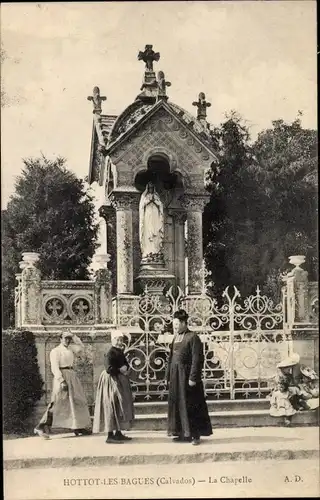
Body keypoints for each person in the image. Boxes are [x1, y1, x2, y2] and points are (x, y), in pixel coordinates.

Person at [166, 309, 212, 445]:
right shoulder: (175, 337)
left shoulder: (193, 337)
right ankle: (182, 433)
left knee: (191, 405)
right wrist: (168, 376)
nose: (175, 326)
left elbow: (197, 359)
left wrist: (193, 377)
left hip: (187, 377)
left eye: (177, 324)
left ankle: (195, 435)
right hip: (176, 377)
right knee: (178, 405)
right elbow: (171, 358)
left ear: (184, 323)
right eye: (174, 324)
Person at [34, 331, 92, 439]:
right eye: (65, 338)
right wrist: (61, 381)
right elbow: (54, 368)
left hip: (72, 376)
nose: (67, 340)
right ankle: (41, 426)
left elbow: (81, 348)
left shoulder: (71, 349)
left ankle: (78, 426)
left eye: (69, 338)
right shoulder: (55, 351)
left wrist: (74, 336)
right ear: (60, 339)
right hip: (62, 377)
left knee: (77, 400)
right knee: (57, 402)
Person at [93, 330, 134, 443]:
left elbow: (125, 362)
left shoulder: (120, 351)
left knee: (120, 406)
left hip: (120, 380)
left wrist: (126, 368)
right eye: (117, 340)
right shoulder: (110, 352)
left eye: (121, 340)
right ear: (112, 341)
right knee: (112, 405)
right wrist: (120, 370)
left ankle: (118, 432)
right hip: (111, 382)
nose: (119, 342)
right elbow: (108, 369)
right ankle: (110, 435)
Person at [139, 182, 164, 259]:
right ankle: (147, 252)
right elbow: (142, 206)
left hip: (155, 216)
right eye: (149, 188)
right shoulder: (144, 196)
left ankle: (156, 251)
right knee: (148, 232)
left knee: (156, 233)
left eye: (152, 188)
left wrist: (155, 201)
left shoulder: (156, 196)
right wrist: (148, 201)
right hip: (147, 216)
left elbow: (160, 205)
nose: (151, 190)